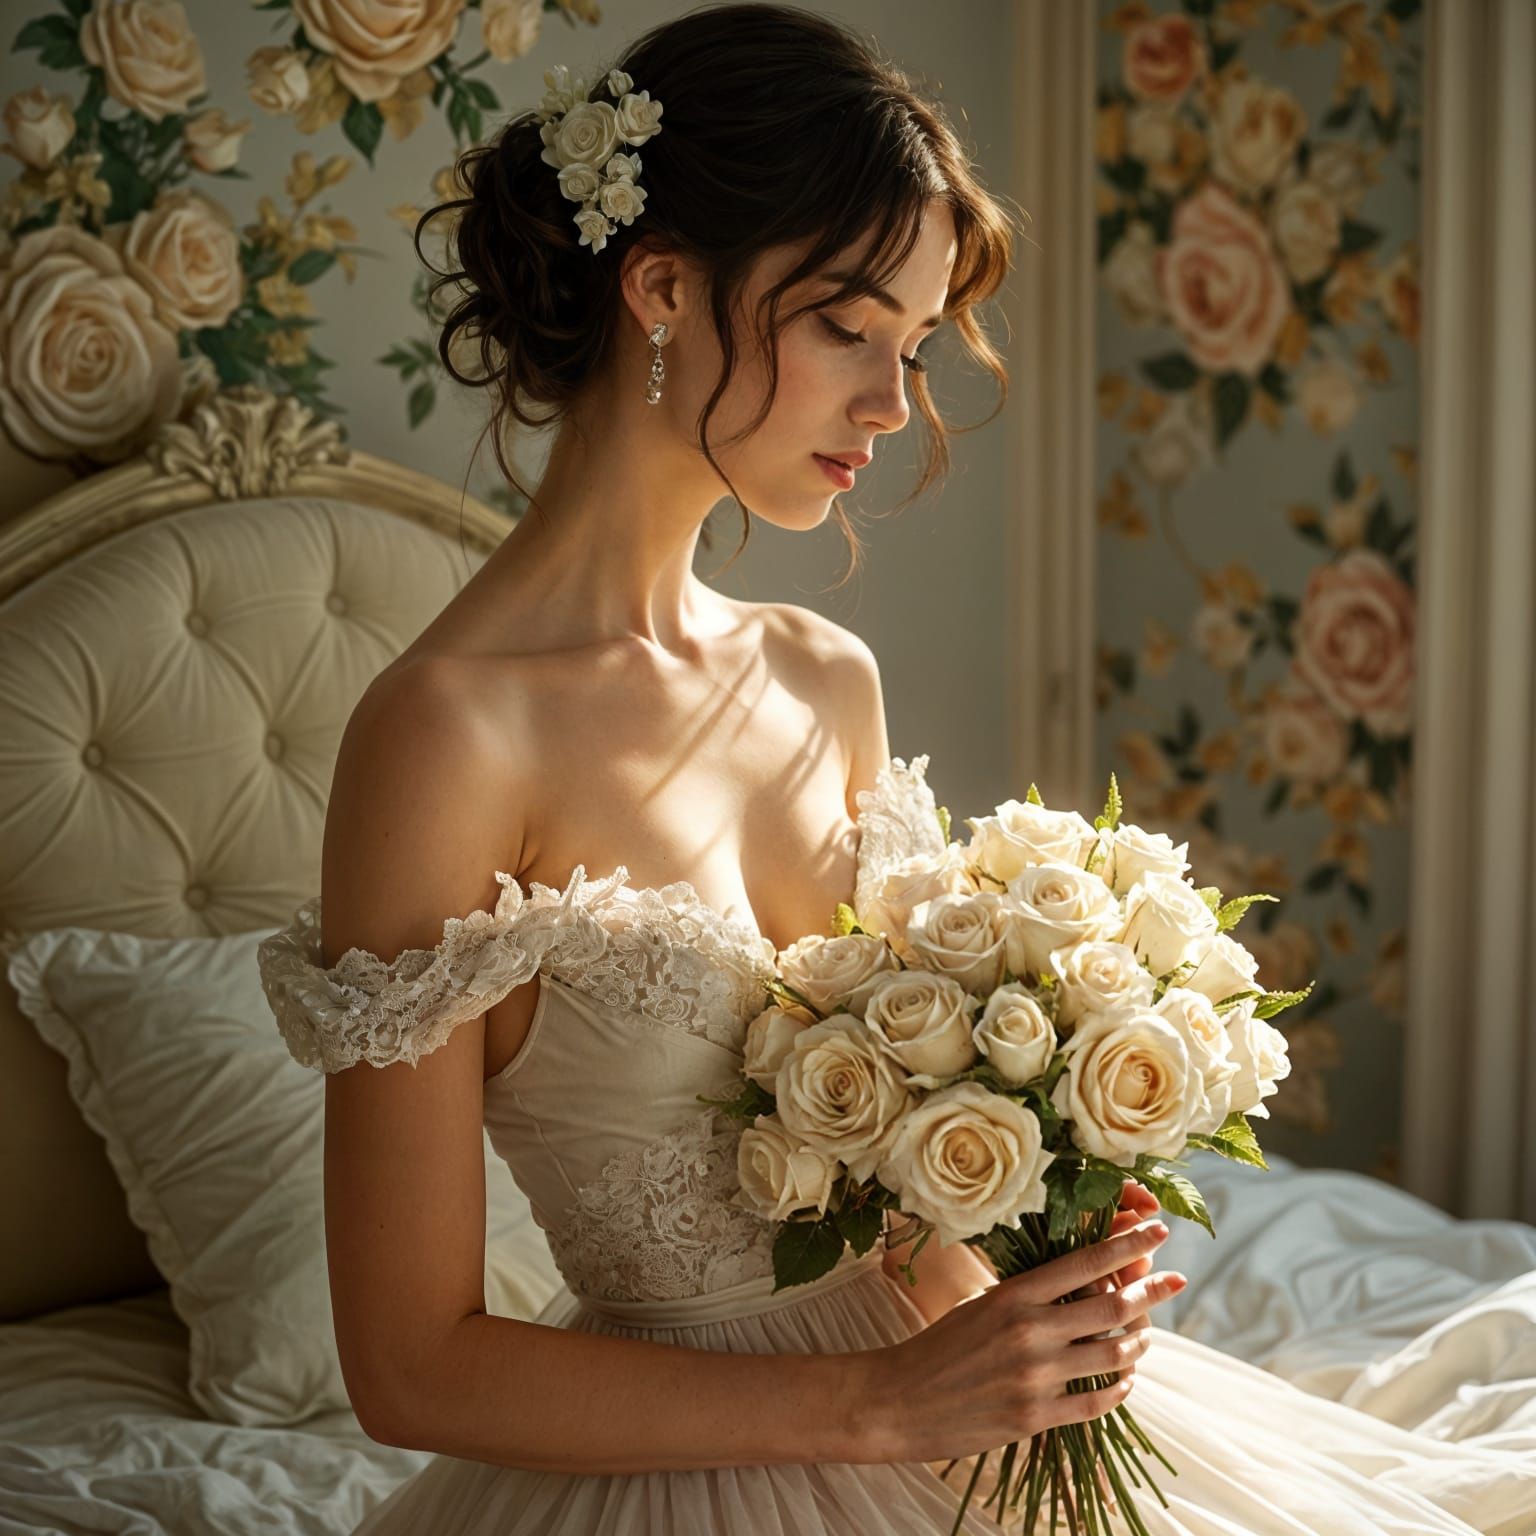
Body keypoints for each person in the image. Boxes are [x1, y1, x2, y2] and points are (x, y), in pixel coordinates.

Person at [255, 6, 1536, 1533]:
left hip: (970, 1419)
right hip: (704, 1466)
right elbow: (409, 1369)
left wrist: (1036, 1272)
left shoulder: (821, 674)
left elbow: (892, 1188)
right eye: (849, 327)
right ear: (661, 285)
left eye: (915, 347)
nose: (891, 403)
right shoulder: (445, 738)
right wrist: (878, 1404)